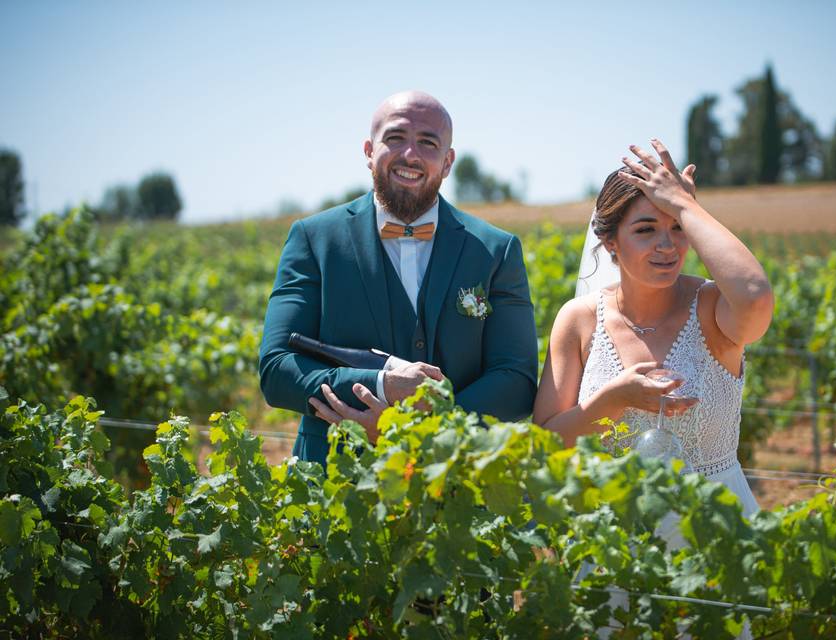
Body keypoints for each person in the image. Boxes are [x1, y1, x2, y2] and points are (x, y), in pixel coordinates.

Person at [534, 139, 773, 636]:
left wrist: (685, 203)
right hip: (611, 542)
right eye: (646, 230)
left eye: (677, 230)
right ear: (611, 243)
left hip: (714, 535)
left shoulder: (714, 310)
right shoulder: (578, 320)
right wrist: (611, 401)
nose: (667, 246)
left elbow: (755, 296)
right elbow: (545, 442)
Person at [259, 91, 538, 463]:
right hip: (331, 481)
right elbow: (277, 368)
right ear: (368, 151)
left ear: (448, 161)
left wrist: (427, 426)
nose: (410, 155)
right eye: (395, 138)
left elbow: (516, 380)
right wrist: (382, 387)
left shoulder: (496, 250)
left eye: (428, 142)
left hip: (457, 480)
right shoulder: (314, 239)